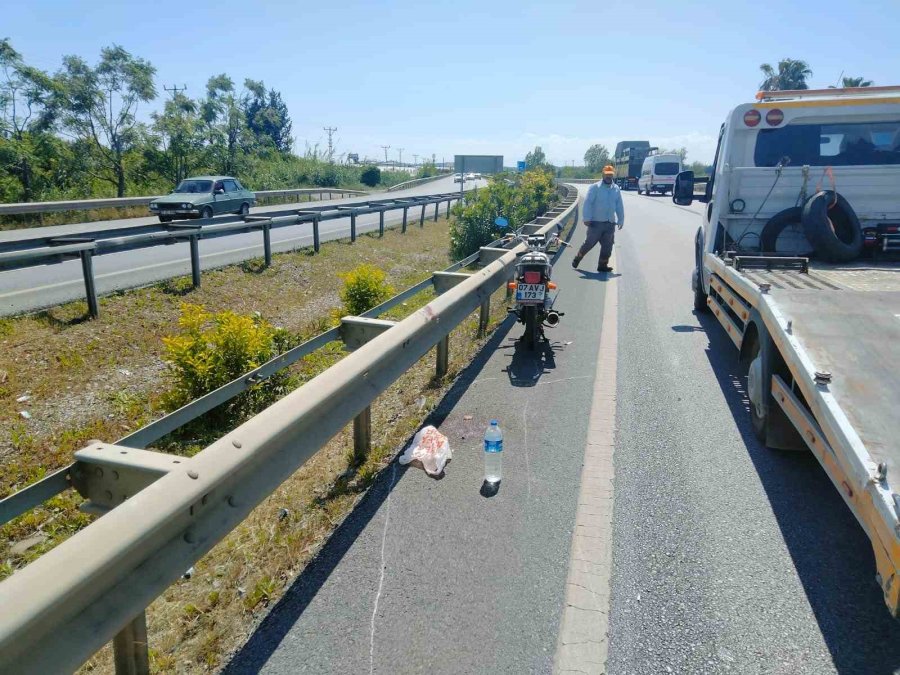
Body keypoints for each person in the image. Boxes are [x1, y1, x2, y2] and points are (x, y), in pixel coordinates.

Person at [572, 164, 624, 272]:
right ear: (603, 175)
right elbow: (588, 203)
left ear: (613, 175)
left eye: (610, 175)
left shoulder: (616, 189)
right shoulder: (595, 187)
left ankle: (602, 265)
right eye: (606, 175)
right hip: (596, 223)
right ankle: (578, 257)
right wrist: (586, 218)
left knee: (608, 246)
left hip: (610, 223)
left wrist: (621, 219)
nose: (608, 177)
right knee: (589, 244)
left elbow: (619, 205)